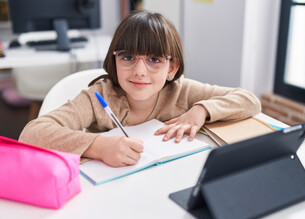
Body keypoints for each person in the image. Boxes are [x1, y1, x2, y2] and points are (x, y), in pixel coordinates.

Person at [19, 11, 261, 167]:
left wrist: (200, 111)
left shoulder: (181, 90)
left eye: (154, 59)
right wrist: (99, 146)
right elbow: (31, 134)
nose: (140, 71)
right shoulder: (99, 97)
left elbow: (249, 100)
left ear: (172, 67)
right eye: (127, 58)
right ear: (114, 60)